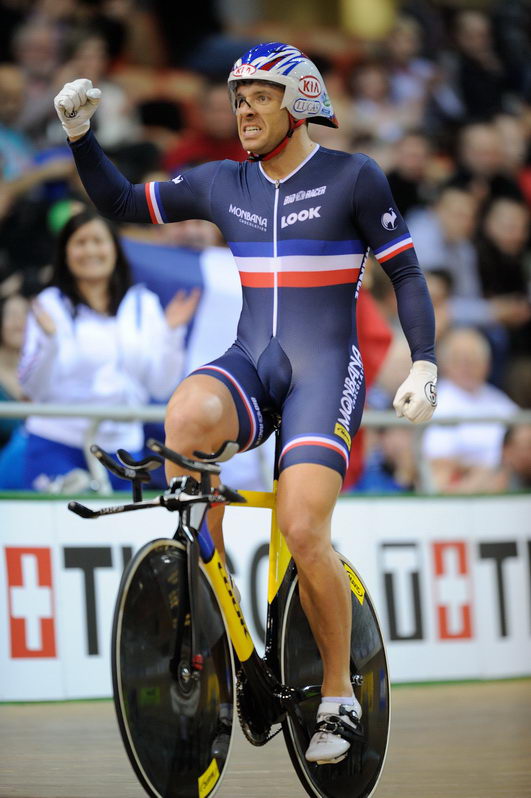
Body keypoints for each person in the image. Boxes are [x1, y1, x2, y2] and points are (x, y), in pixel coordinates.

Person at [53, 42, 438, 765]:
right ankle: (211, 609)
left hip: (325, 372)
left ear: (298, 102)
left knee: (300, 527)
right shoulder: (222, 182)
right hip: (252, 364)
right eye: (236, 99)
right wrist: (81, 137)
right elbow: (121, 202)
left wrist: (423, 359)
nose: (242, 111)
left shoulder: (354, 177)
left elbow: (407, 274)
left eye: (257, 96)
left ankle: (338, 697)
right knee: (185, 416)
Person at [18, 208, 199, 491]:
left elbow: (160, 388)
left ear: (115, 249)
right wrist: (50, 343)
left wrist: (171, 335)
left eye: (98, 241)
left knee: (117, 535)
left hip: (123, 450)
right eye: (80, 242)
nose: (90, 250)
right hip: (57, 444)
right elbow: (33, 389)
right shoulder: (49, 305)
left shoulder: (143, 304)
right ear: (65, 253)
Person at [421, 327, 518, 494]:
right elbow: (438, 457)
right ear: (445, 364)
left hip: (506, 476)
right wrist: (481, 469)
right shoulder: (434, 399)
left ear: (487, 365)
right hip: (458, 480)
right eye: (459, 360)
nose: (467, 367)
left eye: (474, 360)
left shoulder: (499, 401)